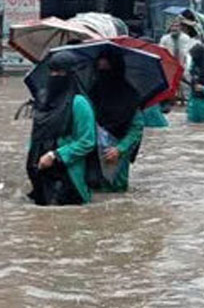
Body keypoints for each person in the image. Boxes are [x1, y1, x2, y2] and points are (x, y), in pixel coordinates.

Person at [26, 51, 96, 206]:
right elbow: (36, 134)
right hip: (41, 172)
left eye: (60, 72)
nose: (54, 76)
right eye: (52, 71)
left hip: (68, 176)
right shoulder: (43, 100)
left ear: (70, 75)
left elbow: (87, 141)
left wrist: (55, 155)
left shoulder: (79, 103)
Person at [87, 50, 144, 193]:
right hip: (93, 154)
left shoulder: (130, 96)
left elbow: (136, 129)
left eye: (107, 69)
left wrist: (119, 149)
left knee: (115, 191)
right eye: (100, 69)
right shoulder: (92, 92)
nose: (103, 74)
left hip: (118, 154)